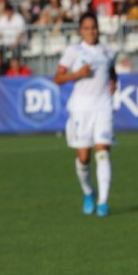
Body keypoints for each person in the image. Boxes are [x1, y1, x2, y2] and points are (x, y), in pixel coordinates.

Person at [53, 13, 118, 218]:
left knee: (103, 153)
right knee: (83, 158)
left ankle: (103, 202)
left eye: (94, 27)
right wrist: (78, 74)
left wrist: (114, 82)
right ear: (81, 31)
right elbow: (57, 78)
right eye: (87, 28)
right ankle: (89, 192)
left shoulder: (108, 51)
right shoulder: (73, 51)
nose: (91, 31)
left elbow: (112, 71)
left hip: (103, 107)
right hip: (81, 109)